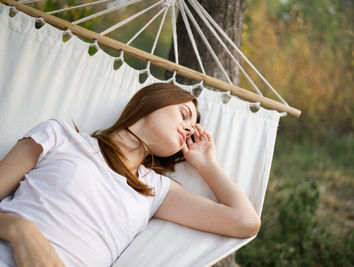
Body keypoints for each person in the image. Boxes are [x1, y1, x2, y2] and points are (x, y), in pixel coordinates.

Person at [0, 83, 260, 267]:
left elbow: (245, 221)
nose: (190, 127)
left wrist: (206, 163)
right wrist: (19, 229)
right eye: (184, 114)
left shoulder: (154, 190)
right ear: (152, 100)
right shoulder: (59, 137)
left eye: (192, 129)